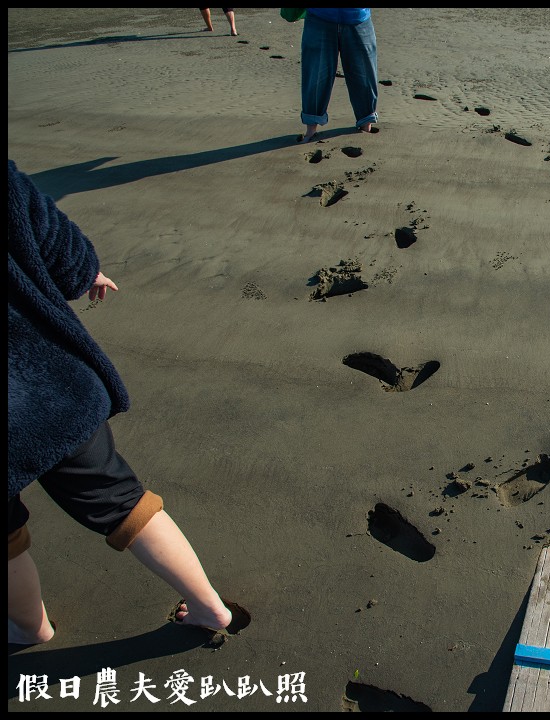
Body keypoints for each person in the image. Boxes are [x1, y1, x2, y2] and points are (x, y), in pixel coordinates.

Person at [7, 160, 245, 644]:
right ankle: (208, 607)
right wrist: (86, 272)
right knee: (122, 501)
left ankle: (29, 627)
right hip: (52, 385)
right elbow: (59, 245)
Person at [298, 8, 379, 143]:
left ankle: (366, 126)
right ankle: (310, 130)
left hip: (358, 17)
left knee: (364, 75)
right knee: (315, 75)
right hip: (320, 16)